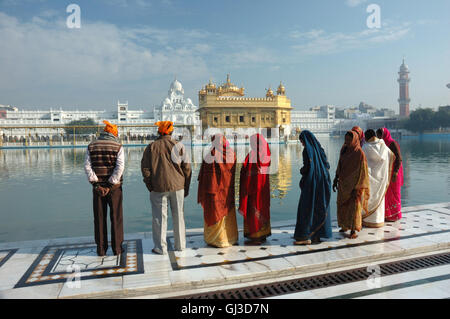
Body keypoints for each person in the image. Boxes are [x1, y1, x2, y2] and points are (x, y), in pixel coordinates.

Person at [141, 121, 192, 255]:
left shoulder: (151, 147)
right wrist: (185, 186)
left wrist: (150, 185)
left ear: (159, 132)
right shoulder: (178, 146)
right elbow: (187, 168)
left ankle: (160, 247)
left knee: (159, 218)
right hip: (178, 186)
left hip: (158, 187)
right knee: (178, 216)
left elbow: (145, 169)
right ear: (171, 132)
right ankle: (180, 245)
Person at [84, 120, 125, 256]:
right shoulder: (117, 146)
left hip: (97, 189)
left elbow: (87, 166)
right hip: (114, 188)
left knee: (99, 218)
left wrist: (96, 184)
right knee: (116, 217)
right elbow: (120, 168)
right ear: (113, 133)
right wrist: (110, 184)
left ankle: (101, 249)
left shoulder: (91, 146)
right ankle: (117, 249)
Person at [197, 133, 238, 248]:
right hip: (227, 192)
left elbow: (204, 176)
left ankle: (215, 240)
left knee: (214, 212)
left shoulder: (211, 155)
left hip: (213, 192)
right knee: (227, 211)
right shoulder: (231, 154)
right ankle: (230, 237)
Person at [294, 130, 333, 245]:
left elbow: (307, 167)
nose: (302, 143)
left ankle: (305, 236)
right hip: (323, 181)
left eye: (302, 141)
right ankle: (317, 235)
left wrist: (302, 171)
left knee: (307, 208)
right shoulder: (319, 149)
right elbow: (327, 165)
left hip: (312, 183)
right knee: (320, 206)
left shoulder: (307, 151)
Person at [333, 131, 370, 239]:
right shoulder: (344, 150)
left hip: (354, 186)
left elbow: (363, 172)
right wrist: (336, 178)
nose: (347, 142)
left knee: (354, 208)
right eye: (346, 139)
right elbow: (340, 164)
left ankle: (353, 230)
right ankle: (344, 226)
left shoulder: (359, 153)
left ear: (354, 140)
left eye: (349, 140)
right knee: (342, 206)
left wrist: (358, 187)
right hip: (343, 183)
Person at [239, 133, 271, 245]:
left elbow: (248, 171)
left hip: (253, 189)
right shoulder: (266, 153)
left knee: (254, 209)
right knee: (263, 208)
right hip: (264, 188)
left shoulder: (253, 155)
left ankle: (255, 235)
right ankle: (263, 233)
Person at [362, 129, 395, 228]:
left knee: (370, 198)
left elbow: (362, 161)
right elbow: (392, 156)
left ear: (367, 137)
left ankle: (368, 220)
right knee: (379, 198)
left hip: (370, 178)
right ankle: (378, 221)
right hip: (381, 177)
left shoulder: (366, 147)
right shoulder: (383, 145)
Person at [376, 128, 404, 221]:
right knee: (386, 194)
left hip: (394, 172)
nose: (378, 137)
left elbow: (399, 158)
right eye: (378, 135)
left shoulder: (392, 143)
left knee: (395, 193)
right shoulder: (381, 144)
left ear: (384, 135)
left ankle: (395, 215)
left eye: (380, 135)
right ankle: (387, 214)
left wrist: (395, 172)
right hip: (386, 172)